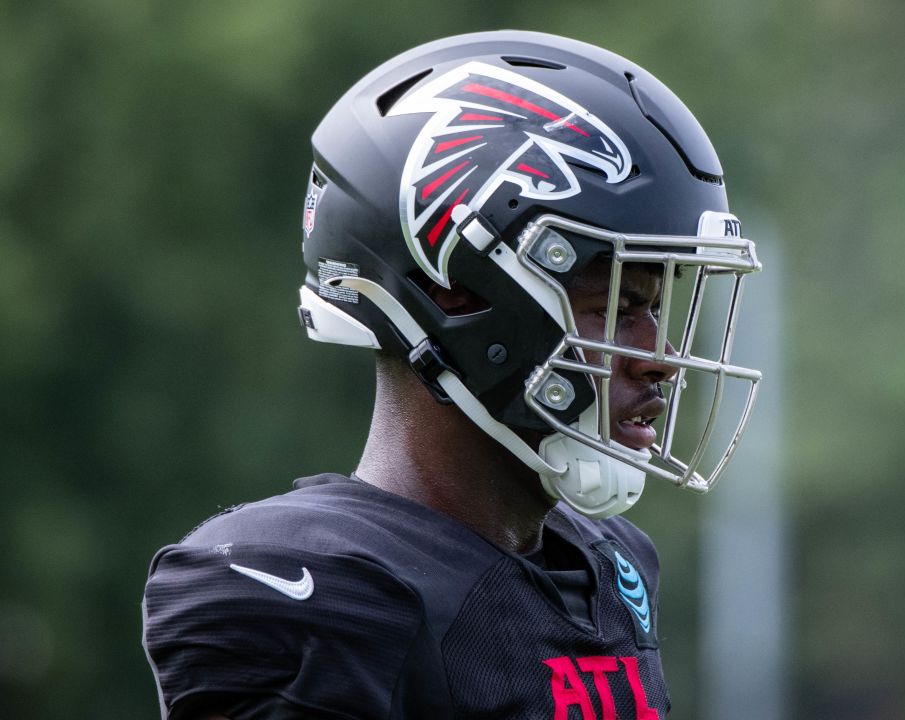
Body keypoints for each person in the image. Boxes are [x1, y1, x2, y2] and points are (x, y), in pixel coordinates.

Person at [141, 30, 763, 720]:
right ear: (457, 294)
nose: (658, 357)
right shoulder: (314, 592)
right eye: (612, 308)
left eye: (652, 306)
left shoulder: (611, 568)